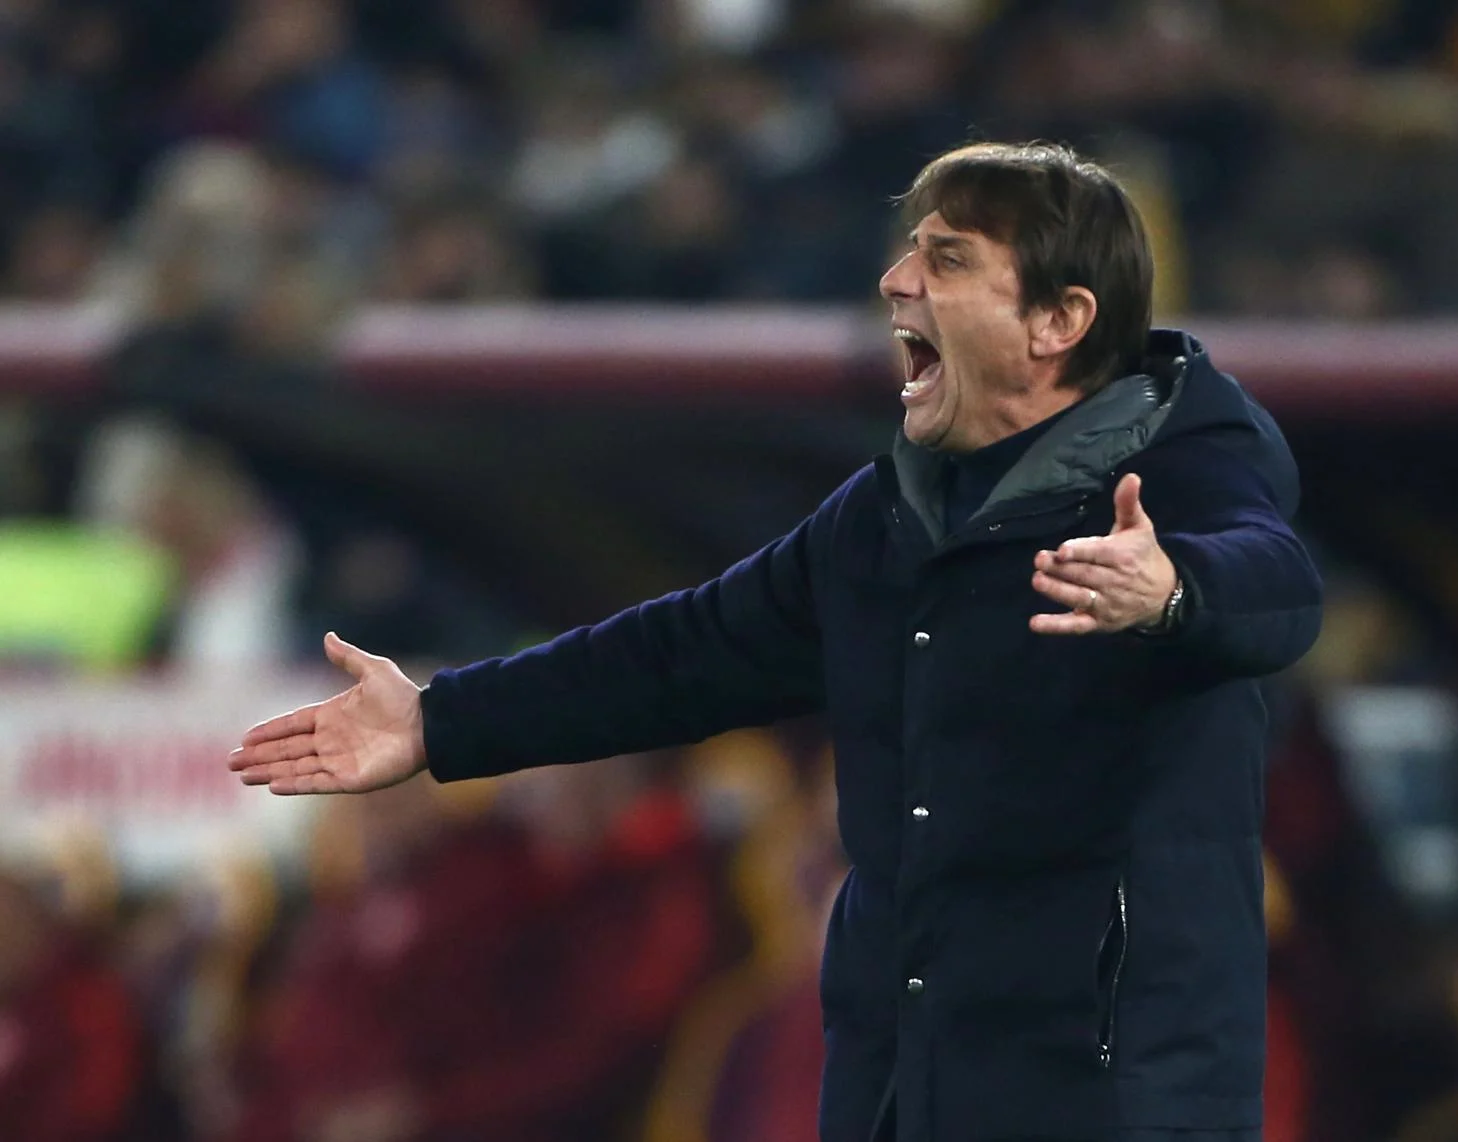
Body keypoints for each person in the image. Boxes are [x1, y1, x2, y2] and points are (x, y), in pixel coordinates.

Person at [230, 141, 1324, 1142]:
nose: (896, 281)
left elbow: (1274, 581)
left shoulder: (1182, 463)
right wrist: (439, 719)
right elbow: (680, 653)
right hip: (903, 1085)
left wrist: (1174, 590)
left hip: (1108, 1098)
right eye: (908, 251)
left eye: (946, 260)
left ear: (1058, 320)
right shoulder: (880, 522)